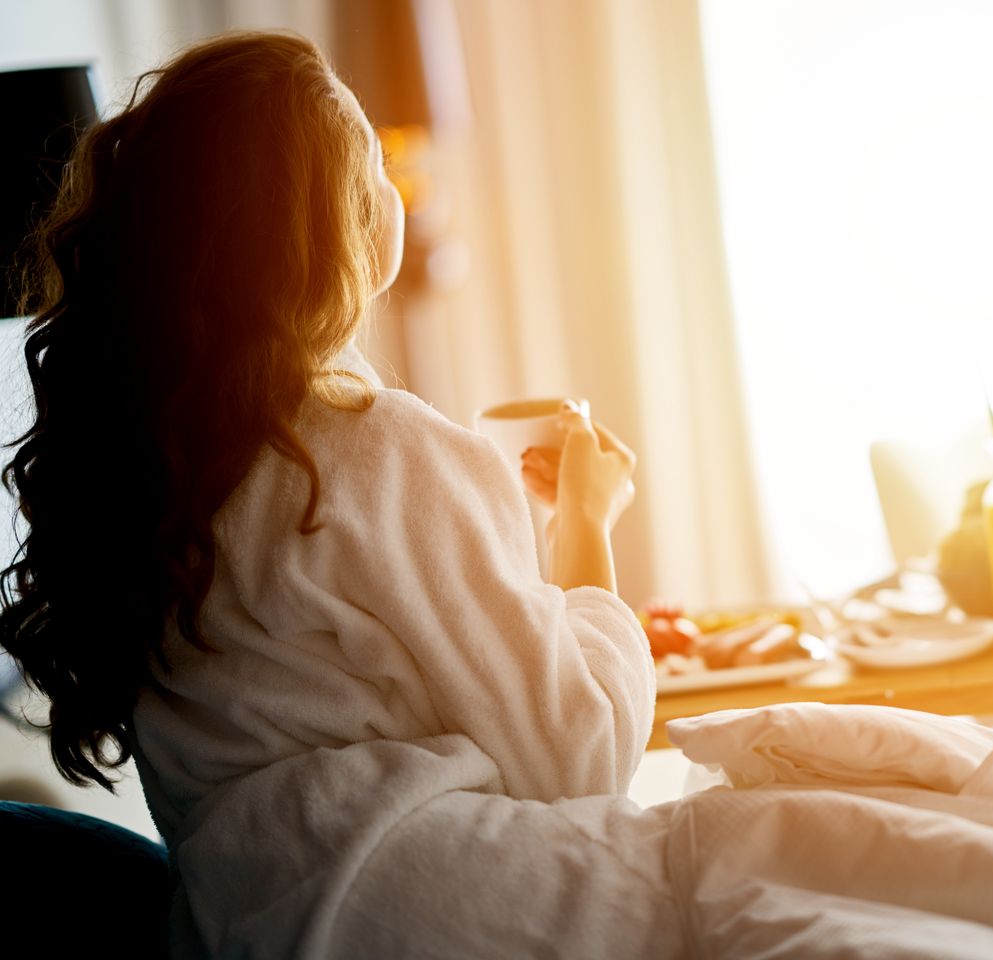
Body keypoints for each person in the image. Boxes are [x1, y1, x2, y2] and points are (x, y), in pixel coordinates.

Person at [0, 31, 676, 958]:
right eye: (374, 161)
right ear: (325, 223)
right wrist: (589, 529)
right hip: (446, 913)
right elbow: (581, 757)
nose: (393, 187)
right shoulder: (382, 450)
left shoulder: (145, 482)